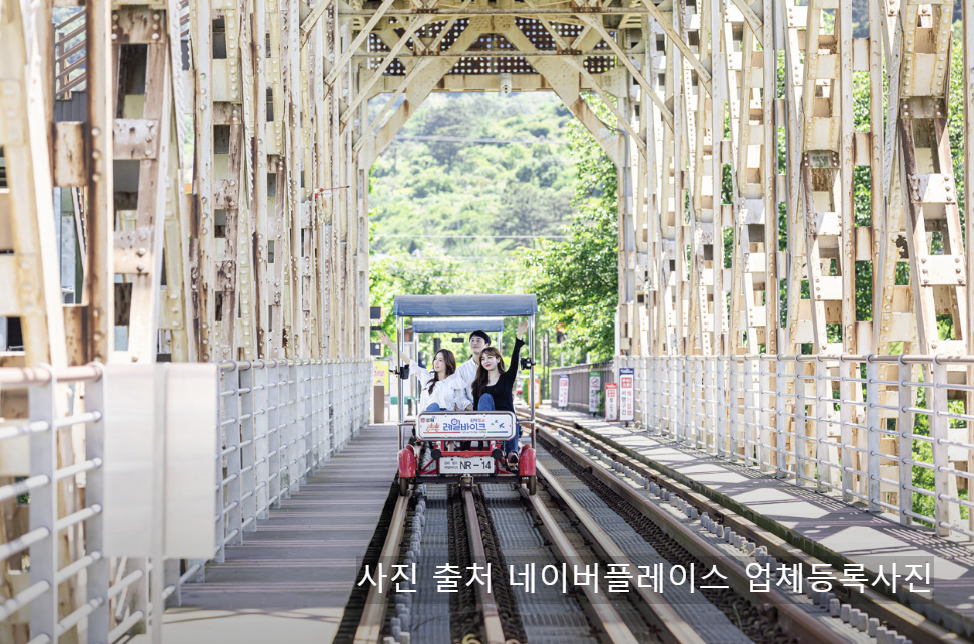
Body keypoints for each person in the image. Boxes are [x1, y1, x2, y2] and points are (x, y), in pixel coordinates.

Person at [472, 319, 529, 467]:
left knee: (512, 420)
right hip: (486, 422)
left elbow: (515, 360)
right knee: (486, 397)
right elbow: (476, 406)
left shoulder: (506, 378)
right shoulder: (478, 383)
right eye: (483, 359)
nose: (486, 361)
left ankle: (511, 454)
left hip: (506, 420)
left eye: (490, 358)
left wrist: (519, 336)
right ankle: (486, 438)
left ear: (498, 359)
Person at [377, 331, 472, 413]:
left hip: (447, 420)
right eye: (435, 359)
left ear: (448, 363)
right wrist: (390, 344)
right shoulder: (426, 376)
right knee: (434, 406)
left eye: (440, 360)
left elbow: (460, 404)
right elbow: (408, 361)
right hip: (429, 419)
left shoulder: (454, 380)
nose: (436, 362)